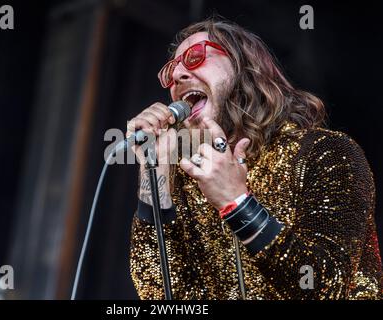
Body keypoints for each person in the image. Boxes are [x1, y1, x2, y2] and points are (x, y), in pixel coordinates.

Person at [126, 17, 382, 299]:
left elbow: (323, 285)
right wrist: (155, 173)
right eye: (171, 71)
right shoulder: (188, 180)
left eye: (195, 57)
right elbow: (159, 293)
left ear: (244, 67)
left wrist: (236, 203)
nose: (178, 76)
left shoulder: (326, 152)